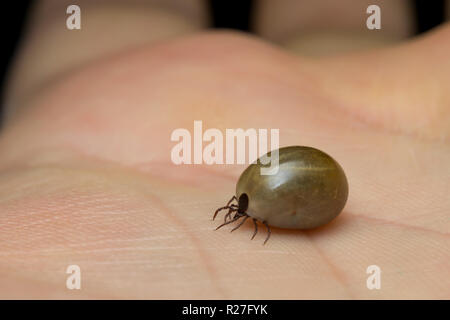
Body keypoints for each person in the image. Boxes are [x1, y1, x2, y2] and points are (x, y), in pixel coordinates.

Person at [0, 0, 448, 299]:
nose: (235, 211)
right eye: (238, 208)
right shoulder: (251, 200)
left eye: (237, 209)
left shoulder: (257, 204)